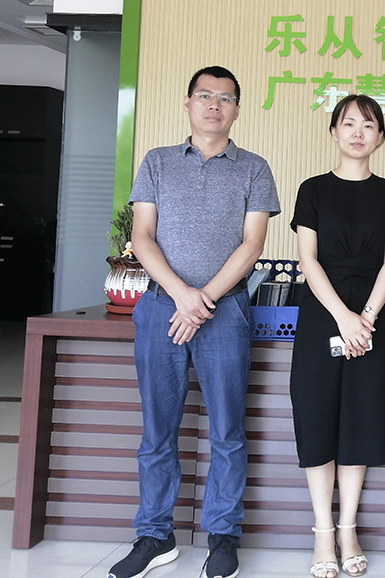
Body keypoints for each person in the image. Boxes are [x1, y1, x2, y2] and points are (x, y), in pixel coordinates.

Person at [109, 66, 280, 578]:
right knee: (157, 431)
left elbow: (252, 244)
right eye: (205, 95)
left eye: (225, 98)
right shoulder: (157, 162)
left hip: (225, 312)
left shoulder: (254, 168)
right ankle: (154, 535)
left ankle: (223, 535)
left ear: (237, 110)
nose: (214, 105)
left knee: (228, 430)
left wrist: (203, 300)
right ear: (188, 103)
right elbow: (142, 236)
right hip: (161, 307)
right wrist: (183, 296)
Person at [289, 95, 385, 578]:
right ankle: (322, 532)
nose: (358, 132)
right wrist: (343, 317)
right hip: (323, 313)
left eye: (368, 125)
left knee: (360, 418)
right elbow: (307, 260)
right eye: (349, 123)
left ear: (380, 136)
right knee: (318, 417)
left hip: (371, 316)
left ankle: (348, 529)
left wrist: (367, 317)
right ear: (334, 132)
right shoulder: (313, 189)